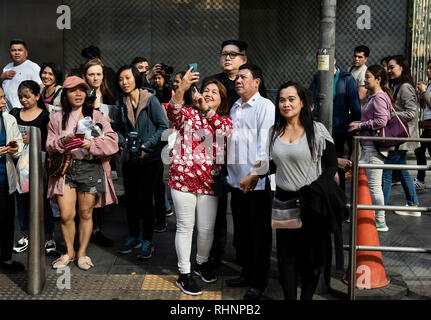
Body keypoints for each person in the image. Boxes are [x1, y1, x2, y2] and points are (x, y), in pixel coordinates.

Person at [268, 81, 341, 300]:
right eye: (282, 100)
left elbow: (331, 166)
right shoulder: (274, 131)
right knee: (286, 258)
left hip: (312, 202)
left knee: (310, 258)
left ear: (302, 102)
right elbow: (273, 165)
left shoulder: (317, 130)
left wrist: (314, 191)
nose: (286, 104)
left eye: (291, 99)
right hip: (283, 200)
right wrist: (253, 174)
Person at [201, 40, 267, 269]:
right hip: (217, 158)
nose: (227, 58)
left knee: (247, 216)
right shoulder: (212, 81)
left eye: (233, 54)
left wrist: (258, 168)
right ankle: (215, 256)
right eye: (224, 54)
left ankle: (245, 259)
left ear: (244, 59)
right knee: (218, 211)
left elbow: (262, 132)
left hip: (245, 163)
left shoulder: (254, 90)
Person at [167, 67, 232, 296]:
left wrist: (206, 111)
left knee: (206, 229)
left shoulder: (224, 121)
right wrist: (182, 88)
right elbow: (173, 113)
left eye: (215, 92)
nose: (209, 94)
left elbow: (225, 132)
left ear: (222, 99)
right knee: (186, 227)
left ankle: (201, 263)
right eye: (206, 90)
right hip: (183, 180)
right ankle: (184, 273)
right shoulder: (188, 114)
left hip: (209, 184)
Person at [46, 76, 118, 270]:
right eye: (72, 90)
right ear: (65, 94)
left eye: (81, 90)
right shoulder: (55, 117)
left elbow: (113, 141)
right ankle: (68, 252)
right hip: (65, 169)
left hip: (90, 167)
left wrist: (91, 144)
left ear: (86, 93)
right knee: (66, 215)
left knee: (86, 213)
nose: (77, 94)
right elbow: (49, 144)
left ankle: (82, 253)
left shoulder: (96, 116)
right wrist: (62, 142)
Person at [225, 63, 275, 300]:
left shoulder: (265, 106)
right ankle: (246, 273)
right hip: (236, 181)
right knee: (242, 233)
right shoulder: (235, 107)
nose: (238, 80)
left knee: (259, 236)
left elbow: (265, 146)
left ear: (257, 82)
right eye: (237, 77)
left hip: (257, 183)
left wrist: (256, 174)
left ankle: (258, 282)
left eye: (244, 77)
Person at [112, 65, 168, 260]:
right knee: (131, 200)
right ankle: (133, 236)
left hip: (150, 159)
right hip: (129, 158)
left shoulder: (150, 99)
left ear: (136, 78)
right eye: (121, 79)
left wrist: (146, 146)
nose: (124, 82)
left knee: (145, 200)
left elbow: (163, 128)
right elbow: (116, 128)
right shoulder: (119, 103)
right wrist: (123, 142)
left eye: (127, 78)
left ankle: (147, 240)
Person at [10, 80, 54, 255]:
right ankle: (26, 234)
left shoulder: (45, 116)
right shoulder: (14, 113)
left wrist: (34, 140)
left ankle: (49, 236)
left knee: (43, 202)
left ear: (37, 96)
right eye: (21, 97)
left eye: (27, 96)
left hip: (38, 166)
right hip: (17, 165)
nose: (23, 100)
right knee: (21, 201)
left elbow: (49, 142)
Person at [348, 65, 393, 231]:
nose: (364, 80)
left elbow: (382, 121)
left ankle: (380, 221)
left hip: (374, 148)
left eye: (367, 77)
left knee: (374, 186)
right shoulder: (374, 97)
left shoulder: (379, 98)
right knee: (369, 185)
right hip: (368, 147)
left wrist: (361, 124)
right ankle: (368, 216)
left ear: (378, 79)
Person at [309, 56, 361, 191]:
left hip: (339, 129)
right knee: (320, 163)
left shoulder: (346, 78)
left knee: (336, 164)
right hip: (320, 128)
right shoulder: (317, 78)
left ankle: (339, 194)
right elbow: (311, 98)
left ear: (334, 61)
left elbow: (355, 104)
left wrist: (355, 127)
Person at [82, 58, 116, 247]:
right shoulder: (81, 94)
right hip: (85, 149)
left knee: (101, 188)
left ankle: (98, 230)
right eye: (91, 74)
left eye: (98, 74)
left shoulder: (108, 94)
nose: (95, 78)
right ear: (85, 76)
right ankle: (86, 230)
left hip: (103, 148)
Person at [382, 55, 421, 222]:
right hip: (401, 138)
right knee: (402, 170)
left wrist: (390, 115)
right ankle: (413, 205)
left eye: (392, 67)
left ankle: (379, 209)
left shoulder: (405, 87)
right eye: (388, 67)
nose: (389, 70)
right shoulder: (396, 85)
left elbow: (412, 113)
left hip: (401, 137)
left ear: (402, 68)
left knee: (386, 172)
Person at [0, 87, 25, 272]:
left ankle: (6, 259)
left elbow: (19, 143)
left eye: (3, 97)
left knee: (7, 219)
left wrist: (14, 149)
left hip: (5, 179)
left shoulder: (9, 119)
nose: (3, 101)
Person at [1, 39, 42, 112]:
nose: (17, 53)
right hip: (8, 113)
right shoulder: (7, 67)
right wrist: (2, 77)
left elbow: (41, 88)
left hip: (23, 112)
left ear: (26, 53)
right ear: (10, 52)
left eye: (20, 50)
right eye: (13, 50)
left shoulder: (33, 67)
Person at [414, 59, 431, 191]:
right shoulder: (430, 84)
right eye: (428, 68)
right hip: (427, 123)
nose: (428, 71)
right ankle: (420, 179)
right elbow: (425, 105)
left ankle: (420, 180)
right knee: (420, 150)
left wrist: (424, 91)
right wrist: (422, 93)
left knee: (420, 150)